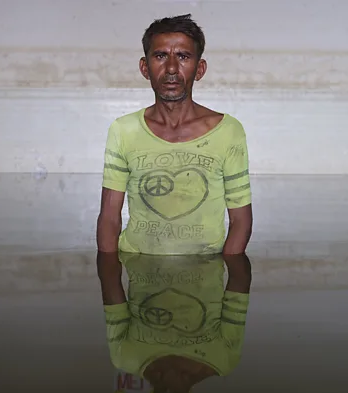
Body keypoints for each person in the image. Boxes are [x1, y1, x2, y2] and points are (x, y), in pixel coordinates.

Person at [96, 14, 253, 255]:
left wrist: (232, 291)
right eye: (160, 56)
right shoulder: (123, 130)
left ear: (199, 69)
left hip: (205, 274)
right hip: (139, 269)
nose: (171, 68)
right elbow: (109, 218)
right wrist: (110, 289)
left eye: (183, 56)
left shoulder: (228, 131)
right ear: (144, 67)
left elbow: (241, 221)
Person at [96, 251, 251, 393]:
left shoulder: (124, 358)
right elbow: (239, 279)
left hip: (144, 247)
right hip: (203, 248)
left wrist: (111, 225)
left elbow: (109, 276)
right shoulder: (223, 360)